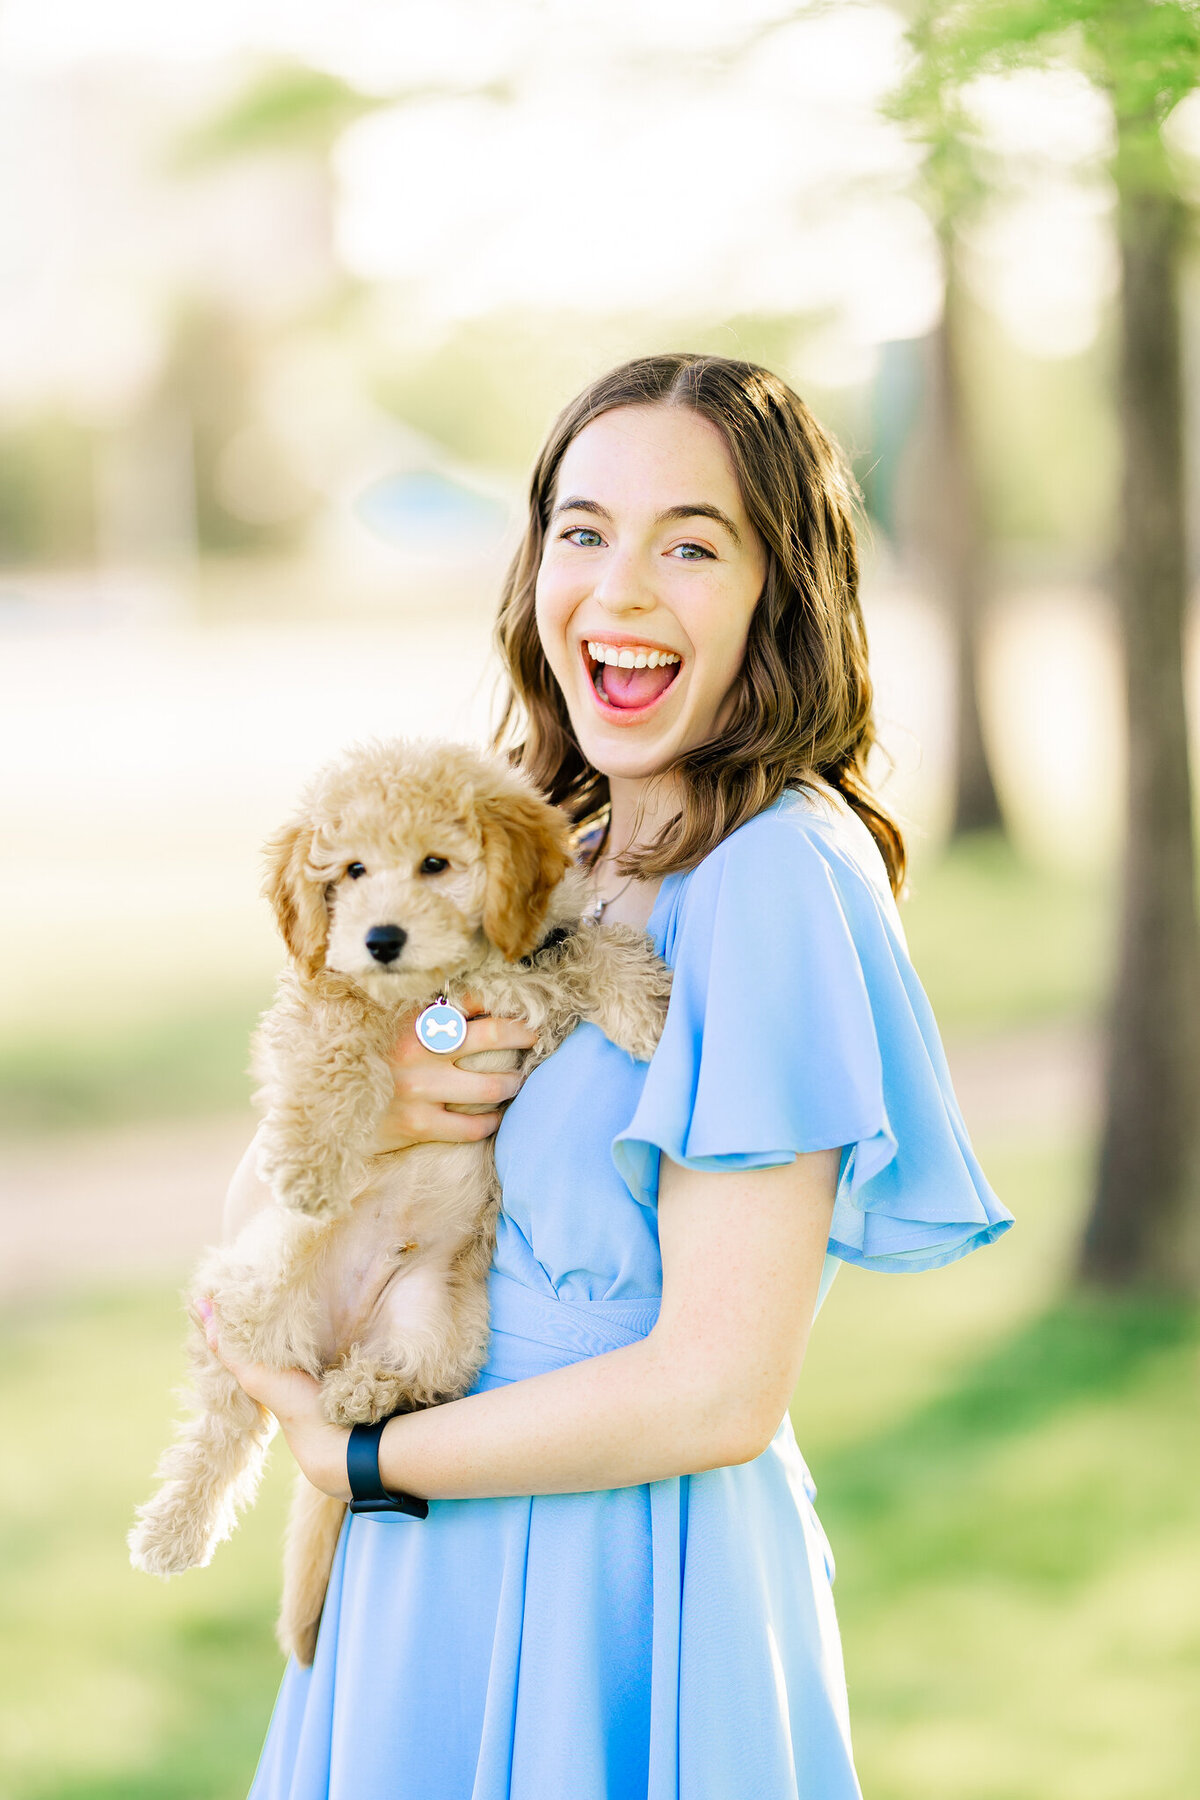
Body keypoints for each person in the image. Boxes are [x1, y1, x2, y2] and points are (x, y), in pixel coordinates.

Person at [210, 353, 1013, 1800]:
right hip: (423, 1581)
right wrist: (401, 1091)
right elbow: (280, 1171)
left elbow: (718, 1390)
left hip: (617, 1577)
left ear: (782, 590)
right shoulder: (549, 848)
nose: (621, 590)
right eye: (583, 531)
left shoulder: (772, 878)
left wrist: (362, 1467)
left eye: (690, 545)